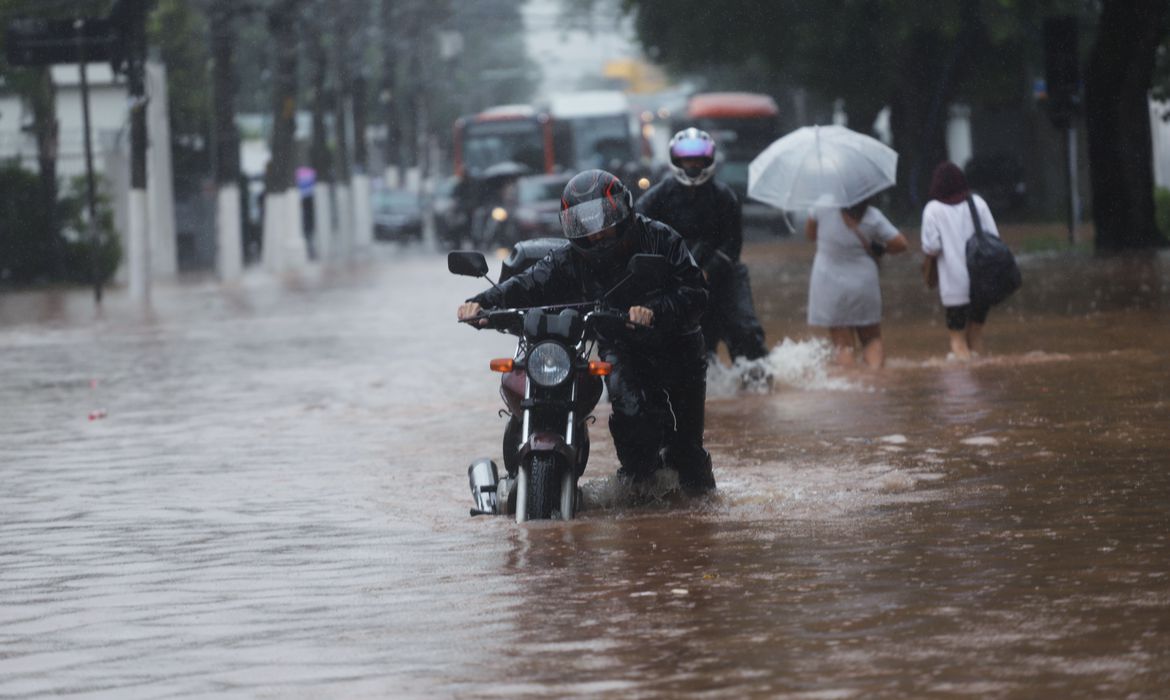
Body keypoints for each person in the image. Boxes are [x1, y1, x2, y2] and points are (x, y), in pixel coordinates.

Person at [456, 169, 716, 495]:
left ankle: (701, 512)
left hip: (677, 347)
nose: (595, 233)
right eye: (583, 224)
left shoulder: (661, 238)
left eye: (602, 220)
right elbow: (527, 284)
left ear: (622, 210)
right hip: (620, 344)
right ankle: (639, 491)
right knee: (630, 417)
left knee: (687, 452)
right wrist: (481, 303)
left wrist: (655, 311)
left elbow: (696, 293)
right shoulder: (568, 259)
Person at [635, 128, 770, 367]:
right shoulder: (653, 199)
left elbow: (732, 245)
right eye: (687, 158)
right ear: (677, 160)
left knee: (747, 334)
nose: (693, 164)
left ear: (709, 160)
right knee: (672, 342)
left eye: (698, 158)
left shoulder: (725, 197)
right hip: (675, 283)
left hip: (723, 279)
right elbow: (640, 243)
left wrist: (707, 271)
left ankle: (757, 386)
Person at [804, 196, 908, 369]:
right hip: (864, 284)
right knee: (871, 339)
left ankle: (853, 389)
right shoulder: (872, 216)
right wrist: (880, 248)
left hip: (829, 283)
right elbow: (901, 244)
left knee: (842, 345)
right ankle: (876, 381)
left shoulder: (821, 206)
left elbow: (810, 235)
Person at [920, 161, 1001, 360]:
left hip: (954, 287)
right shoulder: (978, 204)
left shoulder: (933, 210)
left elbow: (932, 248)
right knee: (976, 335)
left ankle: (965, 385)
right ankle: (980, 380)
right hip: (981, 284)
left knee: (957, 339)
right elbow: (994, 239)